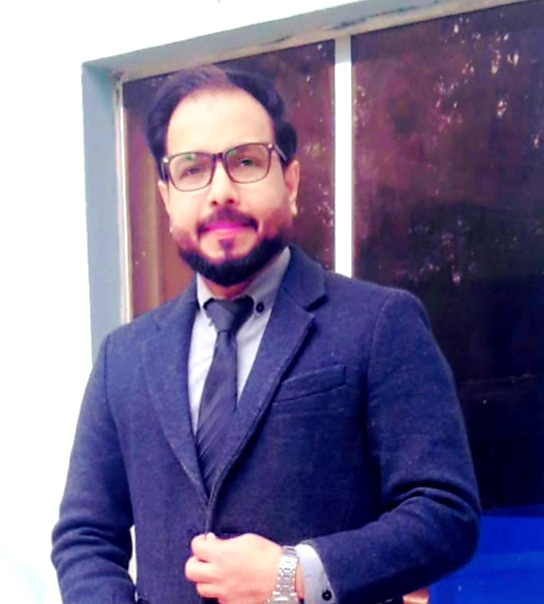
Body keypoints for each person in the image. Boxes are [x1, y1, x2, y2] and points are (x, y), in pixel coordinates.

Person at [51, 66, 479, 604]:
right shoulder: (124, 357)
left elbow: (445, 513)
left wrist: (292, 575)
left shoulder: (379, 324)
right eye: (192, 169)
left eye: (246, 162)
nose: (220, 192)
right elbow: (85, 536)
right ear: (166, 197)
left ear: (291, 182)